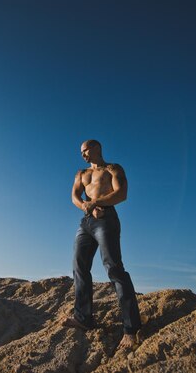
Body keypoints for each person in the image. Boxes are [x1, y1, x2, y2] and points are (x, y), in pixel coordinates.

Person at [61, 139, 142, 351]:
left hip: (106, 219)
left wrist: (97, 203)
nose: (83, 154)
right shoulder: (81, 173)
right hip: (86, 221)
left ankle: (131, 328)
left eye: (86, 150)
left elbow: (121, 194)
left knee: (114, 268)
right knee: (79, 267)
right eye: (81, 152)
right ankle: (84, 318)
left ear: (97, 148)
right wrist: (87, 208)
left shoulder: (113, 168)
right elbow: (74, 196)